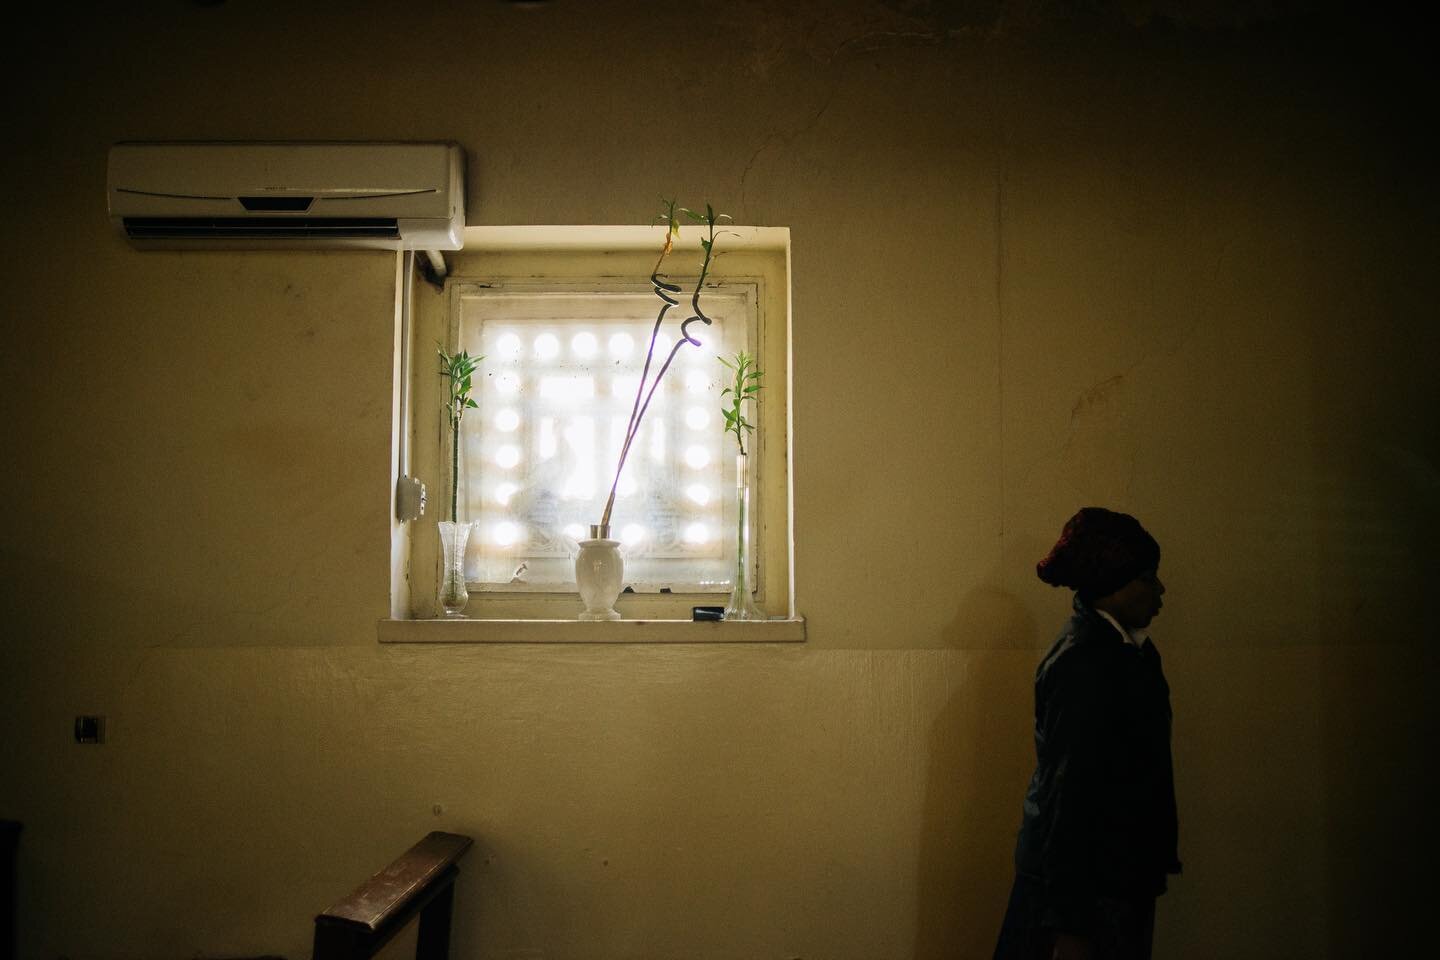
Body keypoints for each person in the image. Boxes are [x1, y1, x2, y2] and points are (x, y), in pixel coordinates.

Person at [994, 507, 1181, 960]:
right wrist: (1070, 925)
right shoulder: (1085, 664)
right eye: (1147, 577)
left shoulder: (1127, 651)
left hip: (1113, 881)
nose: (1159, 590)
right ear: (1113, 583)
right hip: (1086, 894)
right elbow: (1070, 794)